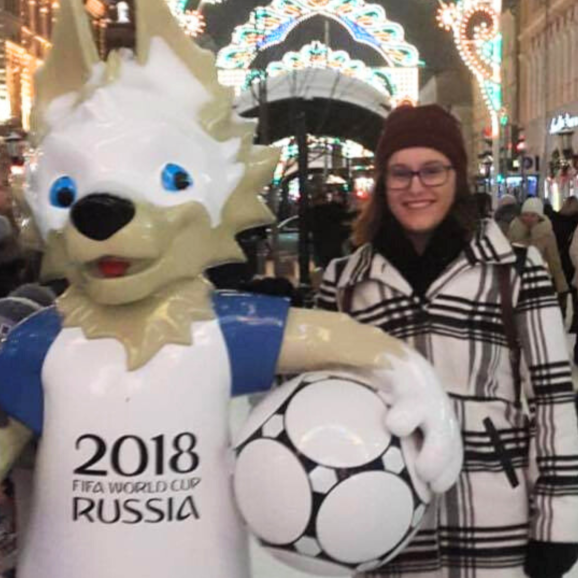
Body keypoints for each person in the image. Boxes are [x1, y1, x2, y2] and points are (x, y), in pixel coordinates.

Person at [317, 104, 578, 578]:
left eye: (432, 170)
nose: (416, 186)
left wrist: (558, 523)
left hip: (497, 520)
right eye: (401, 173)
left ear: (457, 176)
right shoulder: (345, 283)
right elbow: (318, 404)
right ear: (383, 183)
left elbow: (553, 401)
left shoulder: (515, 272)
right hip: (385, 522)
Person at [508, 197, 568, 308]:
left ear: (539, 217)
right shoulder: (513, 231)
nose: (528, 218)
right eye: (525, 214)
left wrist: (562, 288)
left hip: (539, 281)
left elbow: (554, 262)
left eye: (533, 215)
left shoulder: (546, 234)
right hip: (517, 281)